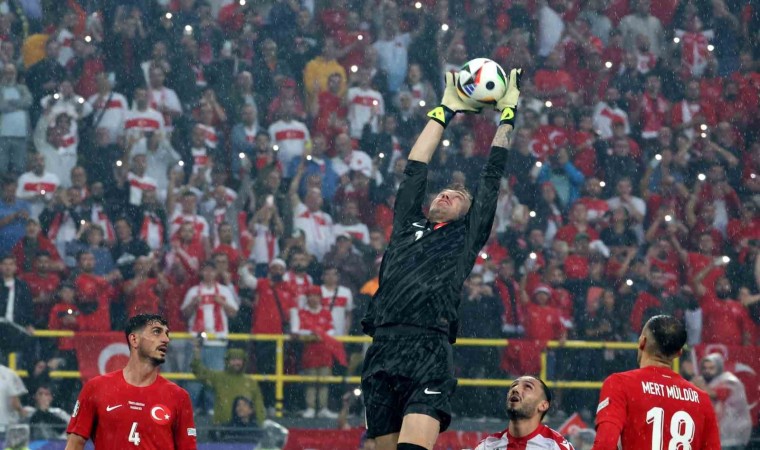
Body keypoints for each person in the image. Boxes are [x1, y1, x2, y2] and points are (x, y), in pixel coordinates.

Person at [360, 67, 522, 450]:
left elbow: (491, 176)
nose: (448, 194)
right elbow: (415, 166)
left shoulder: (464, 237)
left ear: (468, 213)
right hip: (382, 348)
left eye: (459, 196)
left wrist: (507, 116)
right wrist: (444, 110)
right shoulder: (406, 226)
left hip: (428, 350)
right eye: (445, 191)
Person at [65, 314, 197, 450]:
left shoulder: (179, 397)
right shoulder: (96, 387)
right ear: (134, 340)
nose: (166, 339)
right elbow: (74, 445)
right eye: (157, 332)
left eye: (167, 334)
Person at [592, 315, 720, 449]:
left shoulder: (620, 384)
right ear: (679, 353)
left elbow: (605, 444)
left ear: (642, 341)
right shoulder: (701, 399)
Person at [473, 376, 573, 449]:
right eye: (513, 386)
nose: (515, 389)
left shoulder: (556, 446)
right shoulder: (488, 445)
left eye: (528, 387)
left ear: (543, 405)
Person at [692, 353, 752, 450]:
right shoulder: (705, 381)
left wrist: (697, 385)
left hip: (734, 436)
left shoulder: (730, 380)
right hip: (718, 436)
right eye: (704, 368)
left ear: (719, 367)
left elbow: (717, 394)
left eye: (711, 368)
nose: (707, 371)